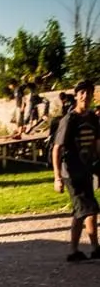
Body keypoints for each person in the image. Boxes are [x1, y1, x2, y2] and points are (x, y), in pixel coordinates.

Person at [52, 80, 100, 262]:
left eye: (88, 93)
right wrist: (57, 177)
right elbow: (57, 148)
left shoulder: (93, 118)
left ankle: (78, 250)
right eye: (82, 93)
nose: (85, 96)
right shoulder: (70, 119)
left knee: (83, 210)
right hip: (71, 172)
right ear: (77, 95)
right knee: (88, 209)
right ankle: (90, 248)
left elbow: (97, 144)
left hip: (86, 169)